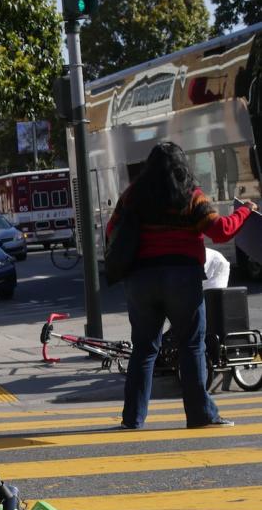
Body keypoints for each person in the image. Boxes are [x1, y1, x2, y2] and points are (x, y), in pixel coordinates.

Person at [109, 141, 256, 430]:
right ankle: (200, 414)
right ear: (182, 165)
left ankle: (132, 418)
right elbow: (221, 231)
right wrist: (246, 211)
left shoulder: (132, 196)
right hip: (182, 278)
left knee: (144, 349)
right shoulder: (190, 196)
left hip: (141, 280)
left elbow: (113, 230)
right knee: (191, 346)